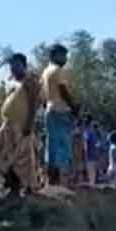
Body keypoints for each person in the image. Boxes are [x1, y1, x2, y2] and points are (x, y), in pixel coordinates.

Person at [0, 53, 39, 198]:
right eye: (11, 65)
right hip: (7, 126)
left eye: (16, 64)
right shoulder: (10, 82)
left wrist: (29, 123)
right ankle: (12, 189)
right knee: (6, 159)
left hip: (22, 126)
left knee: (24, 159)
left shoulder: (30, 81)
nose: (13, 68)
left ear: (24, 65)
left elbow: (33, 103)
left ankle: (28, 189)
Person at [40, 44, 78, 186]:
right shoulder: (58, 70)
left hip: (49, 111)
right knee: (63, 145)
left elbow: (42, 97)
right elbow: (63, 91)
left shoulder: (45, 72)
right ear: (55, 55)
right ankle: (62, 182)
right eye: (63, 55)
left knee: (52, 147)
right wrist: (74, 107)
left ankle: (52, 181)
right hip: (60, 111)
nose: (65, 59)